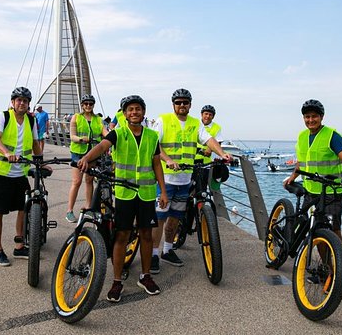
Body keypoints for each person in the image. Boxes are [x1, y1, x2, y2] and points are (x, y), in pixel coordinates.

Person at [78, 95, 168, 301]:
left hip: (146, 193)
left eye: (138, 109)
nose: (134, 112)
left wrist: (162, 191)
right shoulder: (118, 134)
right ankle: (117, 281)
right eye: (130, 109)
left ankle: (145, 276)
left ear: (143, 112)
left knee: (146, 235)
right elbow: (101, 146)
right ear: (125, 114)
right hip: (125, 193)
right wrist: (86, 158)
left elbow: (156, 164)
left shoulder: (152, 136)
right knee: (122, 236)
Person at [150, 88, 232, 273]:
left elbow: (208, 140)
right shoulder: (164, 120)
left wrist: (222, 153)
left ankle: (167, 251)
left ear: (190, 105)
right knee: (160, 218)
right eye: (178, 102)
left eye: (185, 103)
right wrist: (168, 160)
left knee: (174, 219)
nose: (182, 105)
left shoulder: (196, 123)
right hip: (165, 179)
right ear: (173, 105)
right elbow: (155, 145)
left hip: (185, 180)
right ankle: (154, 254)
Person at [283, 99, 342, 244]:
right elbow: (302, 162)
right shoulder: (302, 136)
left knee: (333, 230)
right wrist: (293, 177)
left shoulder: (331, 135)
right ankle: (324, 264)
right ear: (303, 118)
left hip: (331, 192)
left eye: (314, 116)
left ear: (321, 117)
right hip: (310, 191)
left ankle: (339, 264)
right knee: (312, 227)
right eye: (307, 117)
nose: (310, 120)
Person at [0, 87, 42, 266]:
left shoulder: (31, 120)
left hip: (20, 173)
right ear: (12, 102)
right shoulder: (3, 116)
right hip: (0, 172)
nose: (21, 103)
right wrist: (7, 152)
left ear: (28, 104)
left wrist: (41, 162)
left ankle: (19, 247)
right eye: (18, 100)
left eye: (25, 101)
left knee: (23, 209)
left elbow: (34, 143)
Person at [66, 94, 108, 223]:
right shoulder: (76, 117)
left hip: (92, 153)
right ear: (82, 105)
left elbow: (104, 132)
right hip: (78, 153)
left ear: (93, 105)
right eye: (86, 104)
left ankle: (88, 207)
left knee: (89, 180)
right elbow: (72, 135)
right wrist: (80, 139)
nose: (88, 106)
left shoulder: (98, 119)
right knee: (77, 182)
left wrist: (112, 137)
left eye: (90, 104)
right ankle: (69, 210)